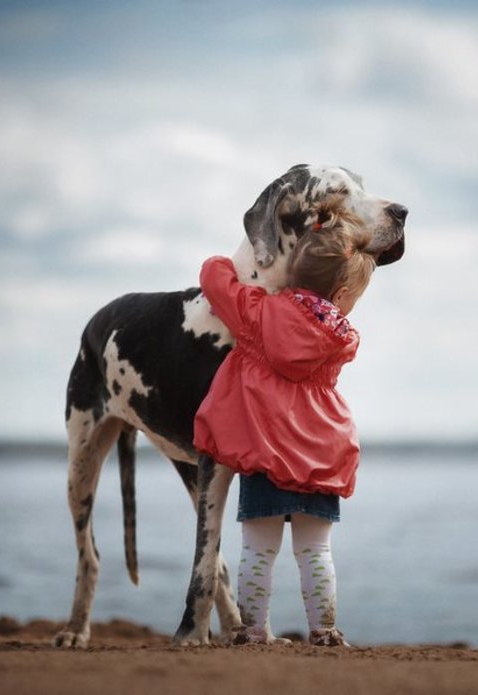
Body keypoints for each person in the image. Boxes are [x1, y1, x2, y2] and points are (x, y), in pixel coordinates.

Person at [193, 212, 376, 647]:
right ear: (344, 294)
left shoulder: (257, 314)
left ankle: (252, 630)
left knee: (258, 550)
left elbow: (214, 279)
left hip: (265, 455)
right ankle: (325, 630)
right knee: (315, 552)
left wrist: (230, 261)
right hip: (321, 457)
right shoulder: (342, 336)